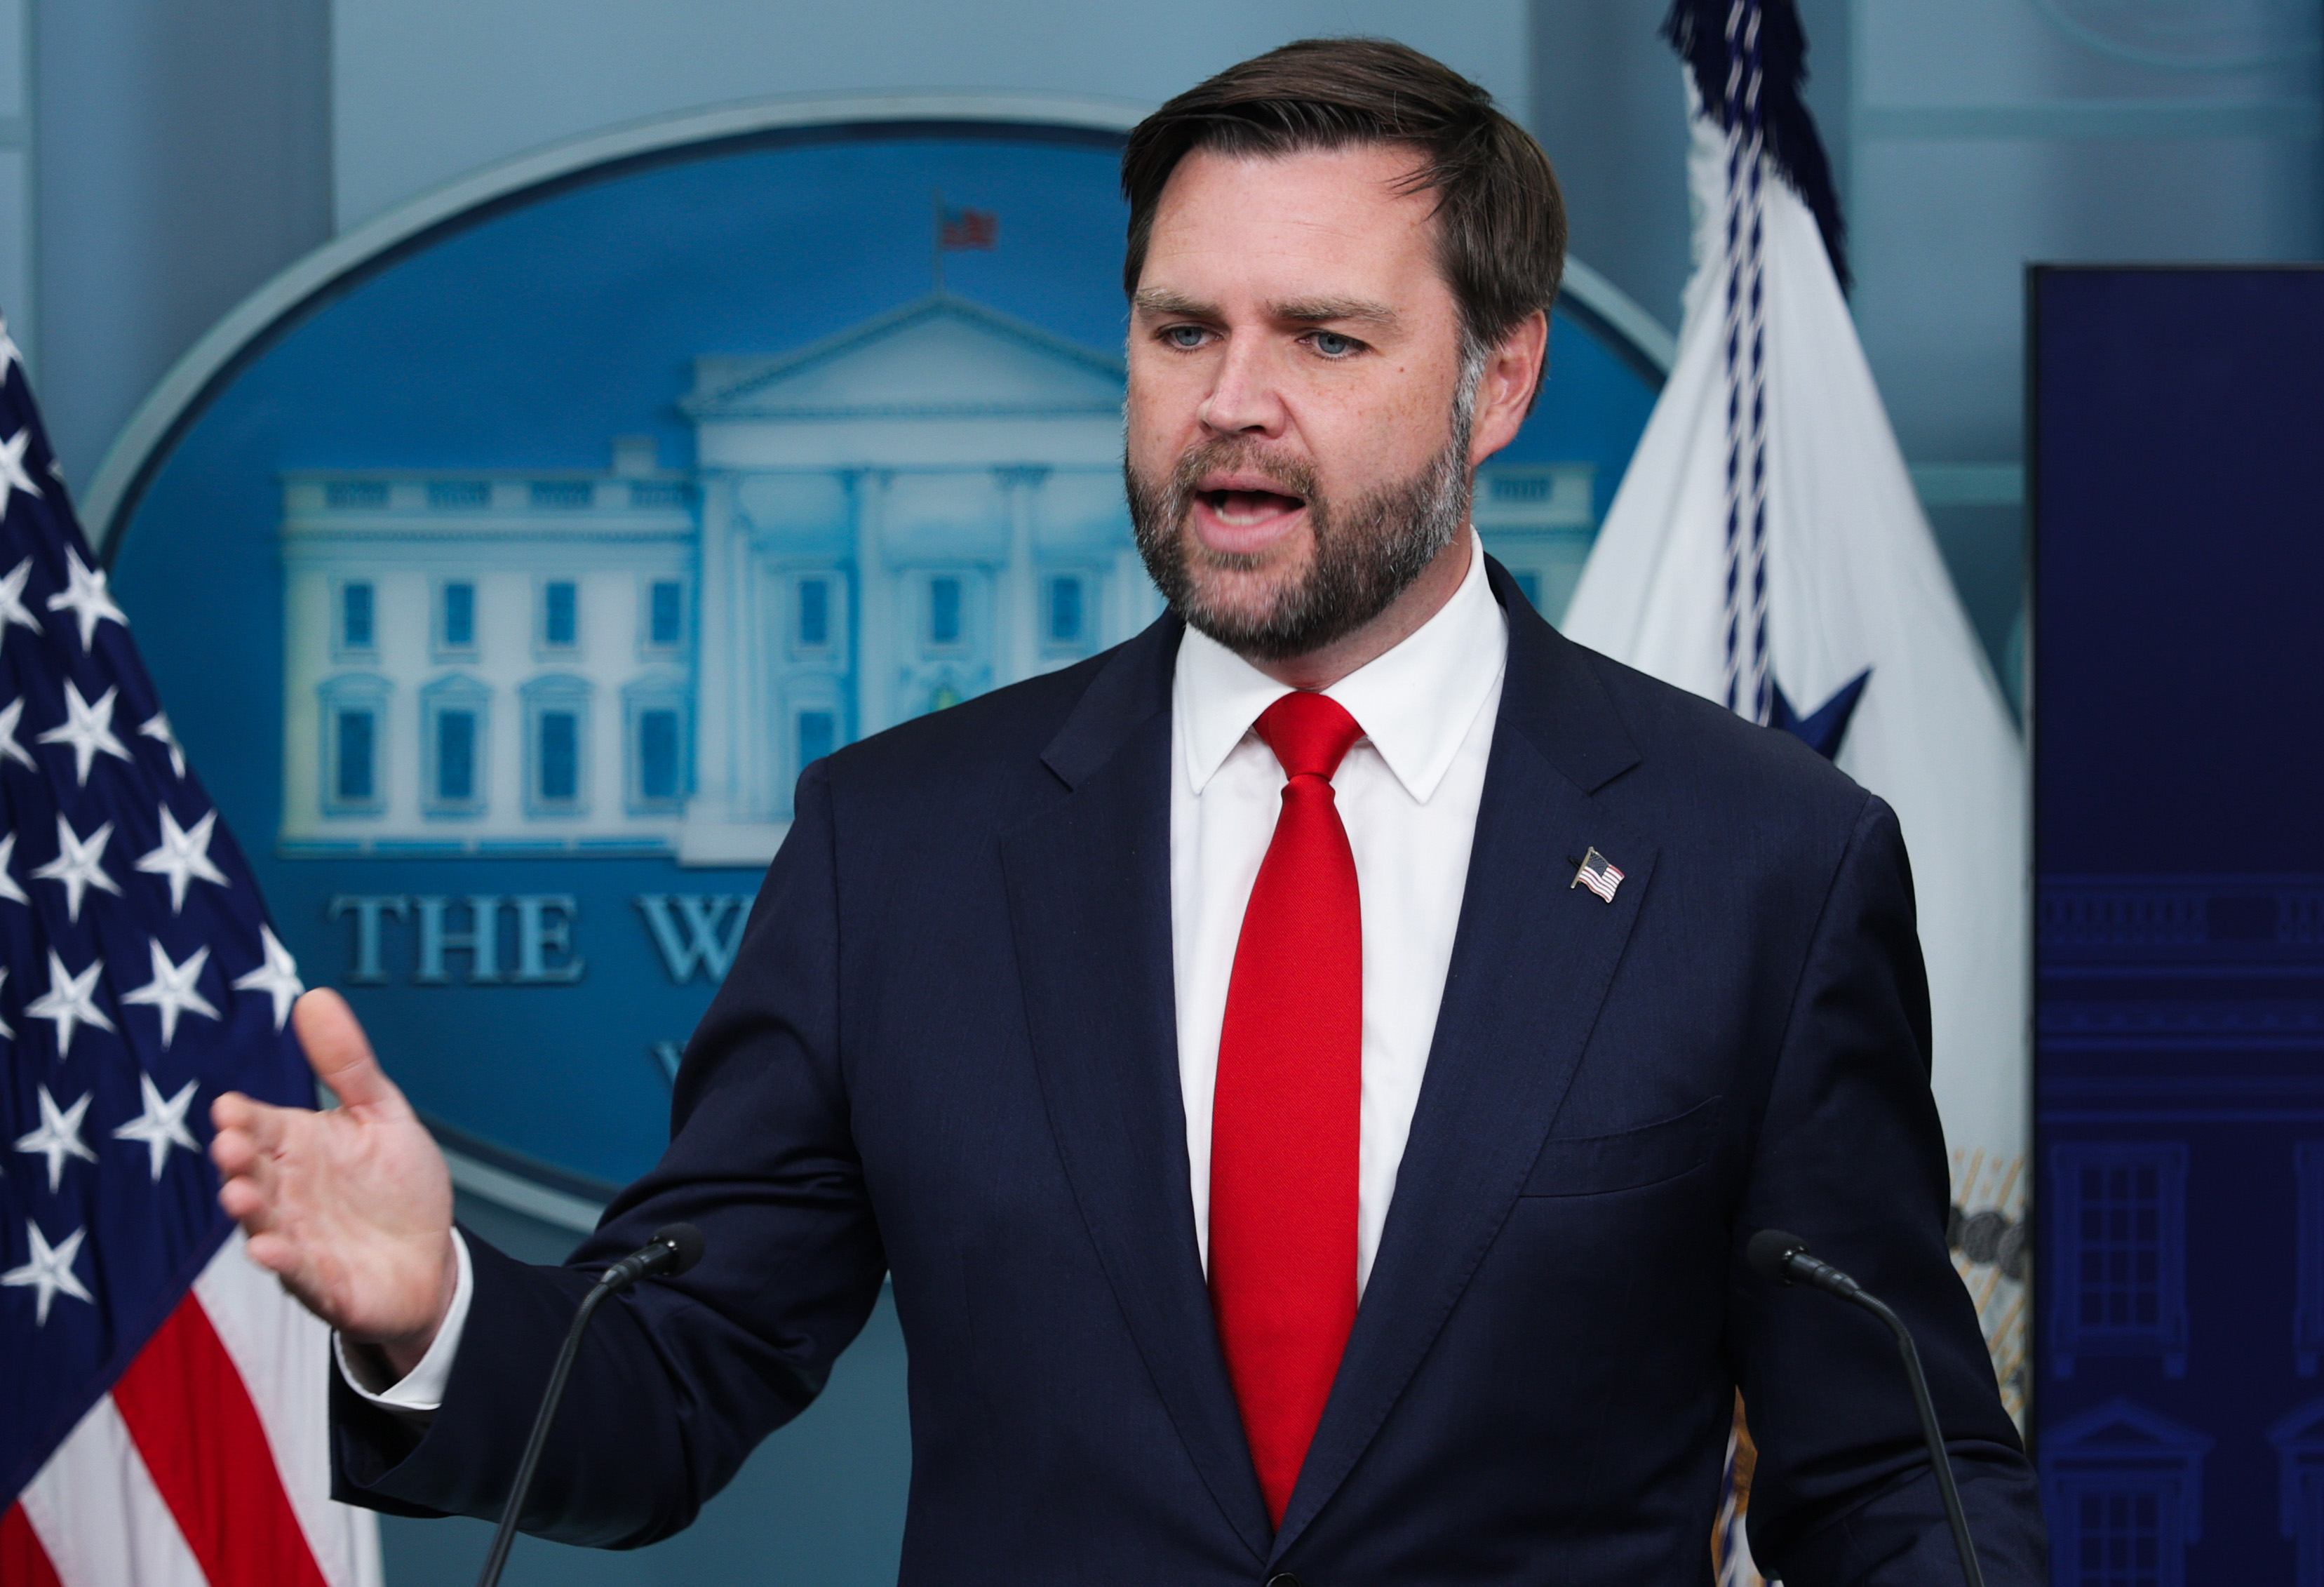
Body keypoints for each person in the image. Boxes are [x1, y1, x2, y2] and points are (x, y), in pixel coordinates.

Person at [212, 38, 2046, 1584]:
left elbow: (1887, 1472)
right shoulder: (901, 850)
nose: (1228, 406)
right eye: (1182, 332)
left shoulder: (1758, 865)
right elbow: (669, 1382)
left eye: (1321, 340)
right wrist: (429, 1302)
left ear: (1497, 381)